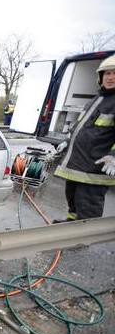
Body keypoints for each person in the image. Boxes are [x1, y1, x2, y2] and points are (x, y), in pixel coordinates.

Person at [53, 55, 115, 222]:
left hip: (95, 166)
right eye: (107, 73)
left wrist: (113, 156)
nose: (110, 77)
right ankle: (72, 223)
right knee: (72, 197)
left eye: (114, 74)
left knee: (88, 203)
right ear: (100, 77)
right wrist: (67, 140)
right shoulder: (96, 100)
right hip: (79, 163)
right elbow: (80, 125)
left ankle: (83, 239)